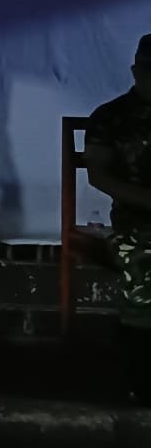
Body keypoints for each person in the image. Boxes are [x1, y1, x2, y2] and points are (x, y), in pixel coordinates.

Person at [85, 34, 151, 403]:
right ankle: (139, 381)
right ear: (136, 71)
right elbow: (99, 175)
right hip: (137, 221)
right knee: (143, 279)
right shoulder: (111, 117)